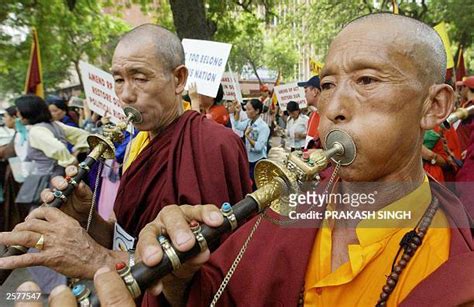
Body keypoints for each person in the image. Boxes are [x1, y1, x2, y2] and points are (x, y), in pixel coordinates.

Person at [107, 13, 472, 306]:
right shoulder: (289, 208)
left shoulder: (456, 273)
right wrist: (179, 279)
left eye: (366, 80)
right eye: (327, 85)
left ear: (435, 105)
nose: (334, 109)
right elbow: (214, 293)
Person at [0, 24, 251, 306]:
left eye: (140, 78)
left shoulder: (213, 144)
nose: (126, 95)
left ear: (178, 79)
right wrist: (89, 218)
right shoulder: (137, 143)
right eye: (118, 80)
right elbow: (126, 236)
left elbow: (206, 268)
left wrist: (95, 258)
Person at [230, 98, 270, 190]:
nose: (246, 112)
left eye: (249, 109)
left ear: (257, 111)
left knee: (257, 186)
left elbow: (259, 147)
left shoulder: (264, 127)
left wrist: (247, 136)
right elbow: (237, 125)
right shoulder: (249, 122)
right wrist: (237, 112)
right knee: (249, 184)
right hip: (249, 159)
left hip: (258, 160)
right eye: (246, 109)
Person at [298, 76, 322, 149]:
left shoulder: (329, 117)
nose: (304, 95)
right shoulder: (313, 115)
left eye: (306, 91)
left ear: (315, 91)